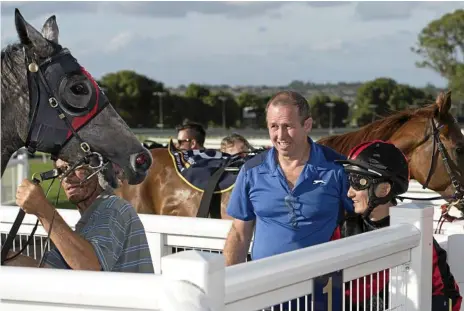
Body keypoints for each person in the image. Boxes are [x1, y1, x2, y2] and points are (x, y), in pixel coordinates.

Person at [223, 90, 354, 266]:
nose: (281, 136)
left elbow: (365, 218)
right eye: (274, 126)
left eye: (288, 126)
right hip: (265, 283)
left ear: (307, 125)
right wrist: (226, 285)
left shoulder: (337, 168)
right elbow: (239, 235)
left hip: (321, 285)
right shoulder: (251, 171)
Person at [335, 140, 462, 311]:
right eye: (349, 181)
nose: (350, 192)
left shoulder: (416, 234)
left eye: (359, 182)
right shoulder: (343, 228)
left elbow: (449, 298)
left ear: (384, 189)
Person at [13, 158, 154, 273]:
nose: (67, 178)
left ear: (97, 168)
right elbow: (47, 268)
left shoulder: (113, 207)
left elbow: (90, 267)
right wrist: (6, 256)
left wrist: (44, 211)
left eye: (75, 167)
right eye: (62, 171)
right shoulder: (87, 223)